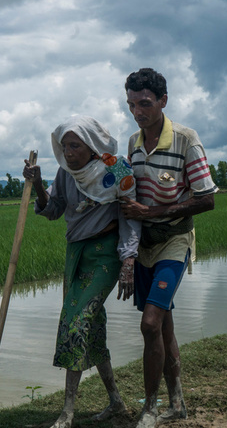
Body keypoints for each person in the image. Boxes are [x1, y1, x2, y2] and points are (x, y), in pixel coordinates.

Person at [22, 115, 141, 428]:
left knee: (75, 324)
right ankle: (115, 400)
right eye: (65, 146)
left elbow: (130, 216)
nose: (69, 151)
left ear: (92, 146)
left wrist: (129, 260)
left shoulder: (118, 169)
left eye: (75, 145)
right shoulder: (65, 174)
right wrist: (37, 185)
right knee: (93, 326)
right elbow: (53, 209)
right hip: (76, 255)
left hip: (105, 255)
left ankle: (68, 412)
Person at [119, 68, 217, 428]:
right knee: (164, 328)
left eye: (144, 103)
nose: (137, 112)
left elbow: (206, 199)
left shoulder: (185, 140)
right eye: (131, 104)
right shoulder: (132, 143)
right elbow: (127, 191)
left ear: (163, 101)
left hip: (175, 240)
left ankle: (150, 408)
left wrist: (154, 211)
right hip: (144, 244)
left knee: (149, 324)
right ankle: (177, 403)